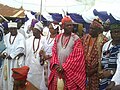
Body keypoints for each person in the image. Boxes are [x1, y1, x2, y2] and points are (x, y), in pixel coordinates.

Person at [48, 16, 86, 90]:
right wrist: (56, 65)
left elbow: (77, 57)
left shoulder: (76, 39)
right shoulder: (58, 37)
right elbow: (54, 52)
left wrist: (64, 67)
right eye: (68, 25)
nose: (70, 27)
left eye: (71, 25)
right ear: (62, 26)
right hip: (57, 70)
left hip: (69, 73)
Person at [82, 19, 107, 90]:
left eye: (93, 29)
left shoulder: (104, 41)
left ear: (99, 30)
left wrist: (93, 70)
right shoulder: (85, 38)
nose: (90, 30)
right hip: (84, 71)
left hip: (96, 73)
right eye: (90, 28)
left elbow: (104, 58)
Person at [0, 21, 25, 90]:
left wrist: (12, 55)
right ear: (9, 29)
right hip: (7, 61)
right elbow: (5, 47)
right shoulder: (6, 36)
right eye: (11, 29)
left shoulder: (21, 37)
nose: (13, 30)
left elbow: (21, 48)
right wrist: (4, 53)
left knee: (13, 78)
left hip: (15, 61)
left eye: (14, 29)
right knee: (6, 77)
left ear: (16, 29)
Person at [25, 21, 47, 90]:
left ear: (39, 31)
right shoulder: (28, 40)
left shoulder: (44, 40)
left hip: (39, 69)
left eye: (35, 30)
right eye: (33, 30)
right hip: (30, 67)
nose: (33, 31)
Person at [100, 23, 120, 90]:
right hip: (105, 78)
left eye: (118, 32)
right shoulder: (106, 45)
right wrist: (102, 71)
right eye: (114, 32)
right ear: (110, 34)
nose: (116, 34)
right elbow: (102, 60)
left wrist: (111, 72)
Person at [39, 22, 59, 87]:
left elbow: (57, 51)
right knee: (44, 78)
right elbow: (43, 47)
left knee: (51, 78)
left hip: (53, 62)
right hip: (46, 62)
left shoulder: (58, 38)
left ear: (56, 29)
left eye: (51, 28)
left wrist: (48, 56)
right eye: (49, 28)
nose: (50, 29)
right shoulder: (46, 38)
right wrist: (41, 52)